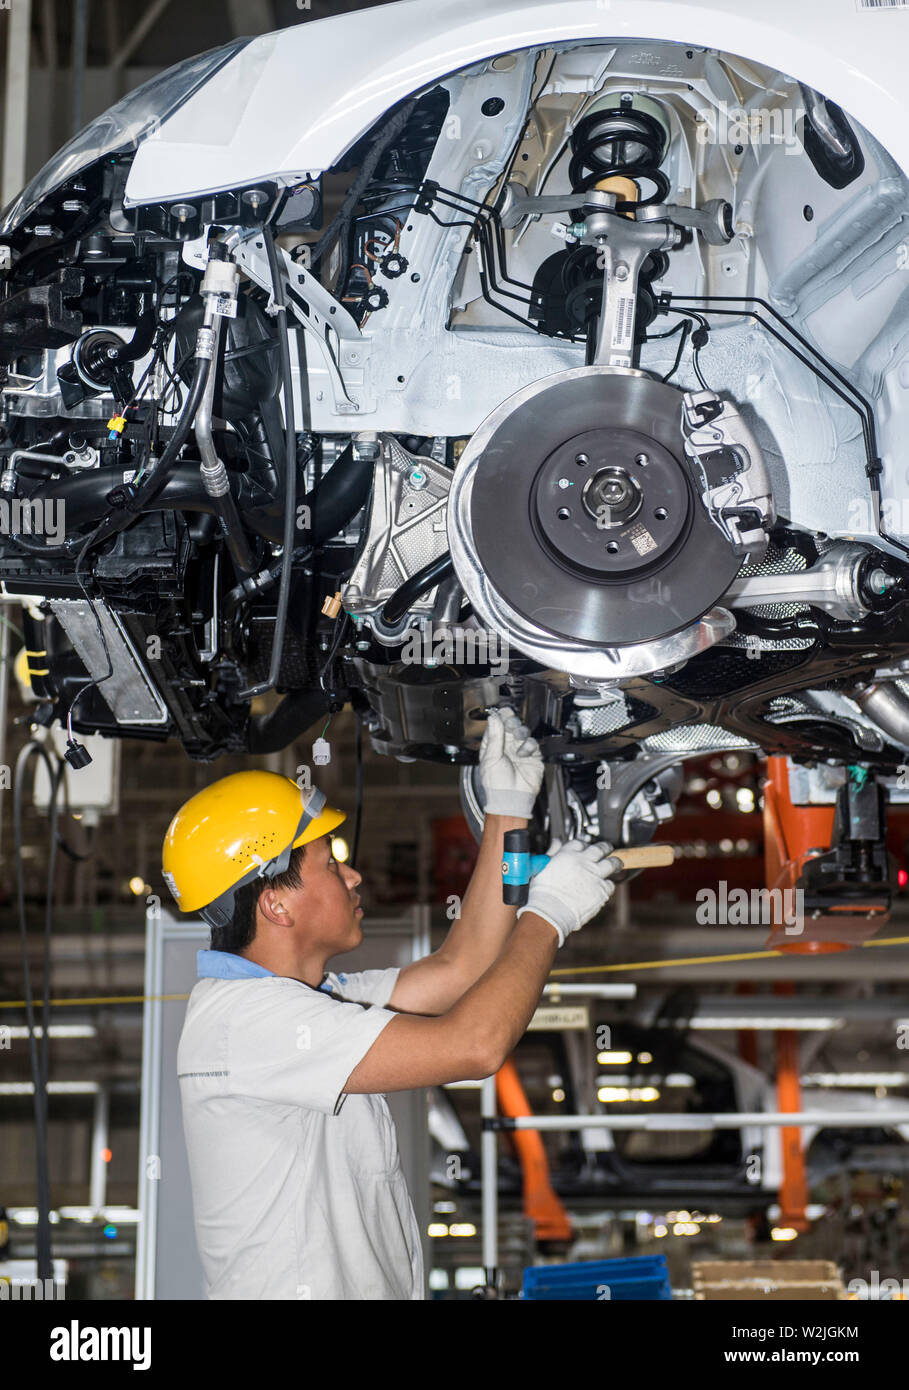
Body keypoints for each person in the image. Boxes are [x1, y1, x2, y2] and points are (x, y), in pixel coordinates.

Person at [161, 708, 620, 1300]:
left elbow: (462, 968)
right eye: (330, 864)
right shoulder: (249, 1024)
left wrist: (509, 811)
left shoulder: (309, 1000)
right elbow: (475, 1048)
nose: (353, 877)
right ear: (276, 904)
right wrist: (549, 915)